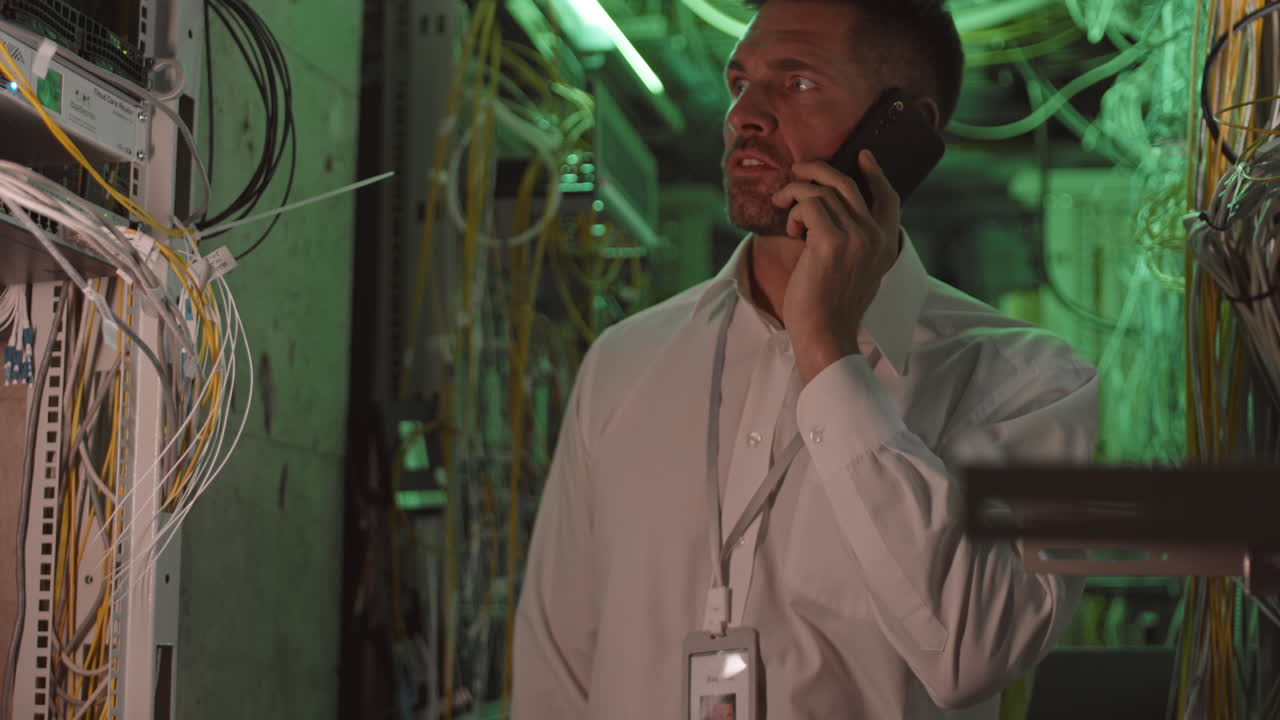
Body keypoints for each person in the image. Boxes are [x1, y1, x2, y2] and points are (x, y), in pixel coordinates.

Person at [512, 0, 1098, 717]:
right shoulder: (626, 363)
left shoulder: (1030, 384)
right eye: (739, 84)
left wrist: (827, 352)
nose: (744, 116)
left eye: (796, 85)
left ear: (906, 130)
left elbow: (975, 652)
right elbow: (557, 669)